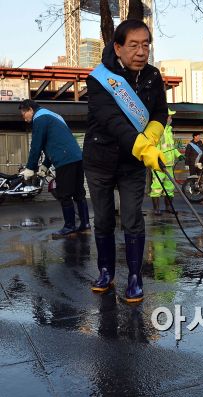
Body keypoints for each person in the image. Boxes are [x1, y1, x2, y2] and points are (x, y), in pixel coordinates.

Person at [83, 19, 168, 303]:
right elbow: (111, 121)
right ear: (118, 47)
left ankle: (134, 276)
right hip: (101, 160)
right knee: (104, 219)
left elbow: (159, 113)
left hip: (132, 164)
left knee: (133, 219)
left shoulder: (154, 76)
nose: (141, 51)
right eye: (133, 45)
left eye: (146, 45)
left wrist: (153, 135)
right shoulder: (99, 78)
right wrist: (141, 146)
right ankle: (106, 271)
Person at [19, 100, 90, 238]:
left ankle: (69, 226)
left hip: (64, 160)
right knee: (79, 193)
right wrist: (45, 165)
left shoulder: (39, 118)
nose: (24, 118)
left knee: (64, 194)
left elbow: (36, 145)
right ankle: (85, 224)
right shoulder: (54, 116)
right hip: (76, 157)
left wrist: (30, 168)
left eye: (24, 114)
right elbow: (54, 143)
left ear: (30, 110)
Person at [149, 109, 183, 215]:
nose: (171, 119)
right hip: (159, 165)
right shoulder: (158, 131)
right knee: (157, 186)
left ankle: (169, 207)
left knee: (170, 187)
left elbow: (171, 147)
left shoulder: (169, 131)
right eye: (169, 116)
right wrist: (157, 161)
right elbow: (153, 148)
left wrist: (178, 155)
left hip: (169, 165)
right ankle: (156, 209)